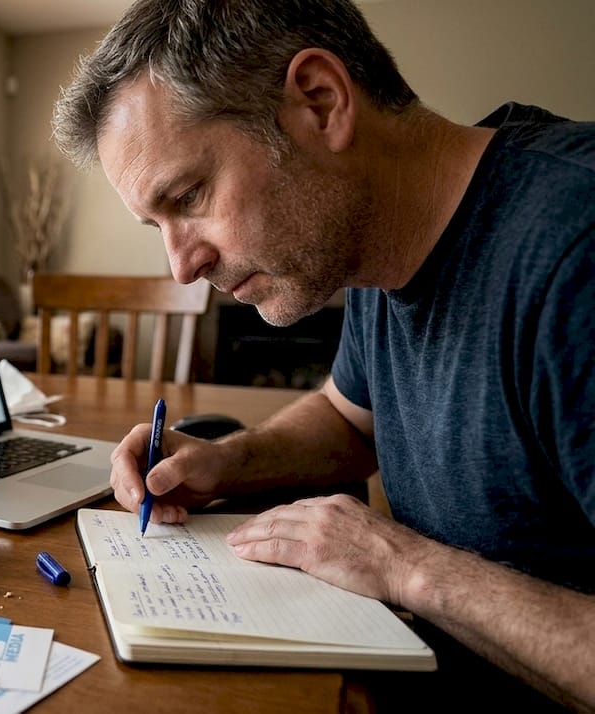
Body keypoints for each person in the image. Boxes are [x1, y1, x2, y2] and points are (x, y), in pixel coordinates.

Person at [51, 0, 594, 711]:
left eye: (189, 195)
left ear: (320, 101)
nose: (181, 266)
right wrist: (227, 462)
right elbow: (349, 420)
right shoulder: (376, 239)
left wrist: (405, 566)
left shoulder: (574, 251)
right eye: (158, 223)